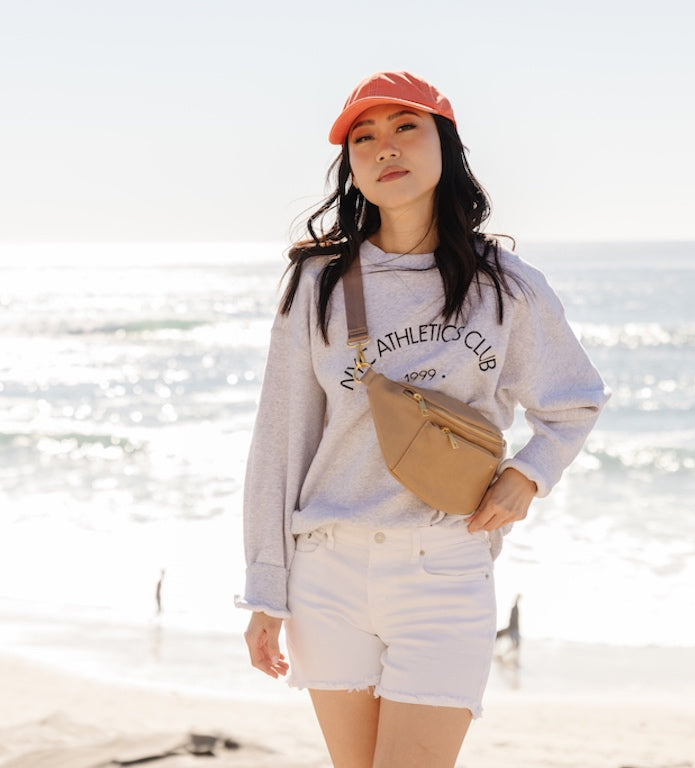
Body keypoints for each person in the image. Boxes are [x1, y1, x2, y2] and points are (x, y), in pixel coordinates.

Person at [236, 71, 609, 768]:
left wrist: (527, 478)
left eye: (406, 127)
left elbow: (573, 399)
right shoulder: (316, 283)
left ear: (445, 143)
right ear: (350, 164)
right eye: (364, 136)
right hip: (328, 569)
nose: (386, 148)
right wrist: (266, 590)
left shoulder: (505, 287)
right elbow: (280, 441)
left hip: (441, 568)